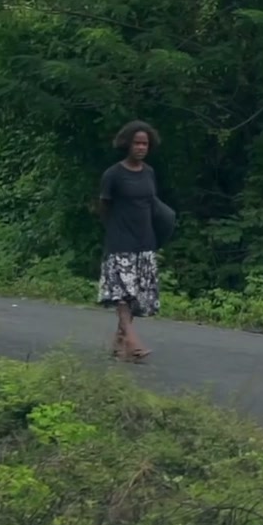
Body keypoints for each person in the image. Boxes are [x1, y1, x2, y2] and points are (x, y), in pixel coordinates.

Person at [97, 120, 165, 363]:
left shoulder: (149, 173)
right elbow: (104, 206)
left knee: (136, 295)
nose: (141, 147)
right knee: (123, 293)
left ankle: (119, 341)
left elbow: (152, 204)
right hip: (120, 241)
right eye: (136, 143)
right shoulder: (113, 175)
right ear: (127, 144)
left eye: (144, 144)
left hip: (145, 241)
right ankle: (133, 341)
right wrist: (114, 230)